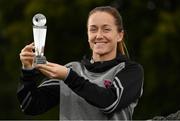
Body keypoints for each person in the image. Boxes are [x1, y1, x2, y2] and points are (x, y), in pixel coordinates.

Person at [17, 6, 144, 120]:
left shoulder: (130, 70)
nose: (99, 35)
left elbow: (110, 103)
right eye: (93, 30)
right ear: (88, 34)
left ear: (119, 35)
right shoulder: (72, 69)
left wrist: (69, 77)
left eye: (106, 29)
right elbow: (30, 106)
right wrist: (27, 71)